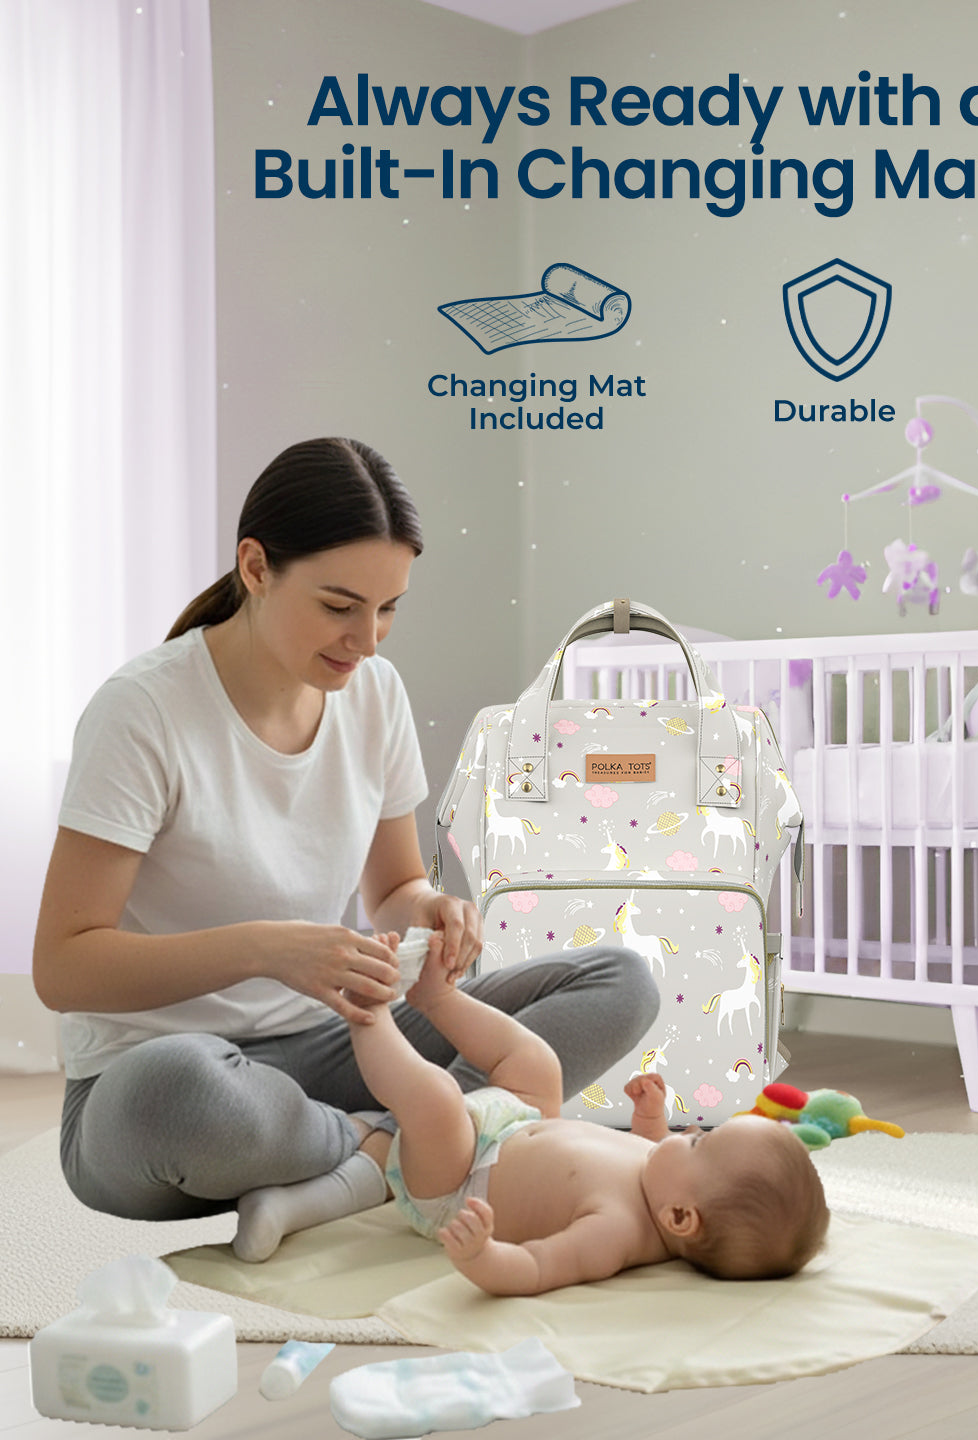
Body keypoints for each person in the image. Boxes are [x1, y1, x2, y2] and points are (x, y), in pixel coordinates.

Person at [32, 437, 659, 1228]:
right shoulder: (144, 712)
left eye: (388, 608)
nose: (367, 641)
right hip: (156, 1083)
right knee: (181, 1095)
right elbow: (63, 967)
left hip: (336, 1049)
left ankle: (373, 1155)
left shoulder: (373, 695)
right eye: (339, 606)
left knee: (619, 980)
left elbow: (393, 889)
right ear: (256, 568)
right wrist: (265, 949)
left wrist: (429, 908)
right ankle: (415, 1147)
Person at [238, 930, 830, 1291]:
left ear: (680, 1220)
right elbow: (652, 1150)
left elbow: (540, 1268)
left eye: (701, 1143)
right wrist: (652, 1119)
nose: (693, 1130)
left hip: (456, 1183)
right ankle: (438, 998)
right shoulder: (664, 1180)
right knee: (539, 1064)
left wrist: (484, 1256)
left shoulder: (615, 1234)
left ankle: (368, 1013)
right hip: (516, 1123)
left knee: (438, 1103)